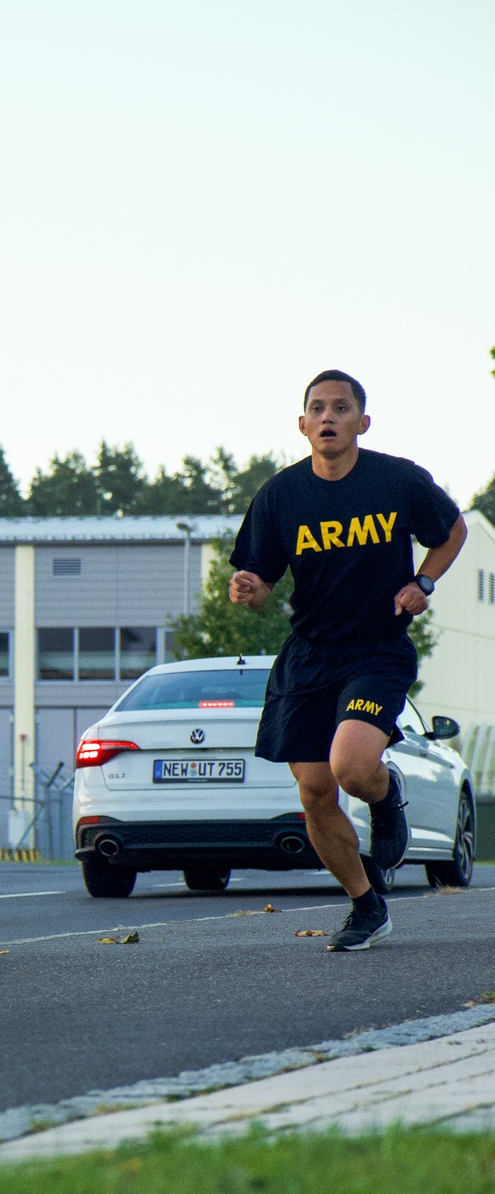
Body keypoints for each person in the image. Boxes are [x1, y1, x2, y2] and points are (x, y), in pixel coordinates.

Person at [229, 369, 466, 951]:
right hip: (308, 656)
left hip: (376, 650)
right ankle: (366, 906)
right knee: (313, 792)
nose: (329, 416)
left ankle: (387, 801)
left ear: (363, 422)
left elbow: (453, 529)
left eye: (341, 407)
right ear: (303, 425)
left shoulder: (397, 480)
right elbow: (259, 574)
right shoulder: (281, 495)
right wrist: (250, 588)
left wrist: (424, 583)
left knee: (352, 767)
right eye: (318, 408)